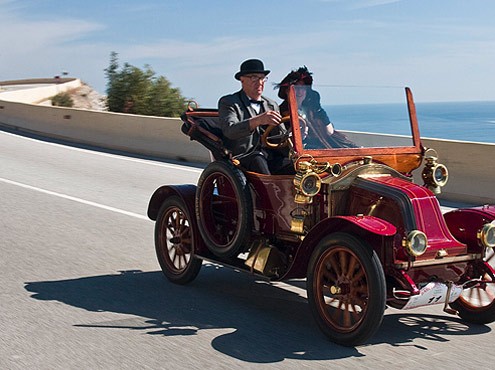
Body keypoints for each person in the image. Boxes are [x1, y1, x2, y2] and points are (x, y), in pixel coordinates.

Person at [218, 59, 289, 174]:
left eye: (262, 78)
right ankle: (268, 192)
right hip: (244, 155)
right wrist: (258, 120)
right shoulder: (229, 102)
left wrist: (296, 133)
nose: (260, 82)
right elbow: (230, 130)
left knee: (296, 166)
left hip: (270, 155)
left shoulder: (272, 105)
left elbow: (281, 136)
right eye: (254, 77)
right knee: (258, 160)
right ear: (242, 80)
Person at [275, 66, 357, 149]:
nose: (300, 92)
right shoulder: (281, 112)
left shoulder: (311, 109)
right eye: (296, 88)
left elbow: (329, 131)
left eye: (303, 88)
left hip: (321, 146)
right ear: (287, 91)